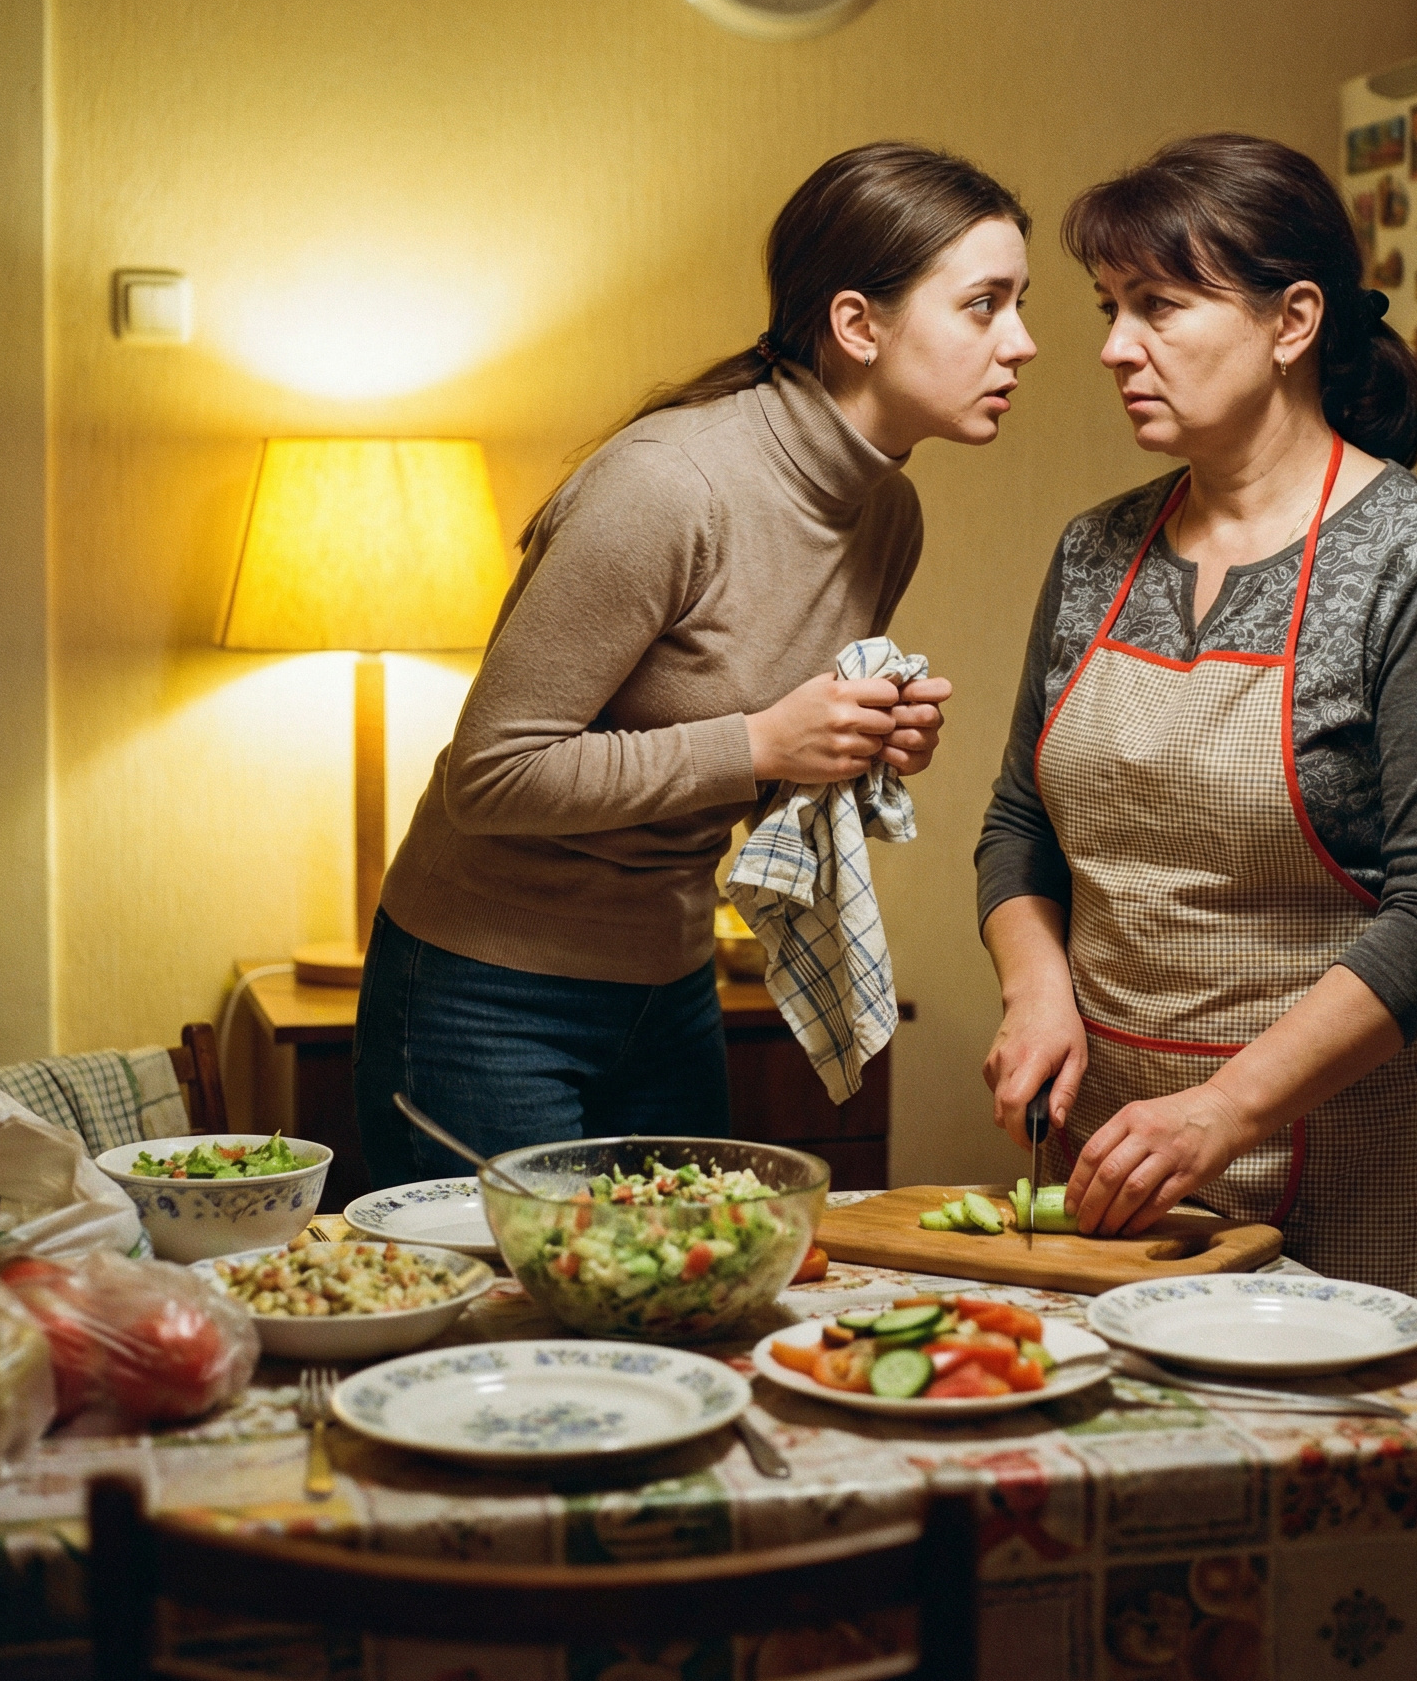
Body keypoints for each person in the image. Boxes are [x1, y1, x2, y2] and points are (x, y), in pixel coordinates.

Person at [356, 141, 1037, 1181]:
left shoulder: (887, 513)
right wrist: (760, 741)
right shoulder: (667, 486)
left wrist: (852, 744)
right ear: (858, 325)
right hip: (486, 988)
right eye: (984, 305)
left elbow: (747, 763)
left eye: (1019, 305)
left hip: (671, 981)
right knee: (516, 1290)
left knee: (693, 1272)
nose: (1022, 343)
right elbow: (491, 774)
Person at [976, 133, 1417, 1338]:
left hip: (1339, 1164)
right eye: (1110, 308)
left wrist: (1223, 1109)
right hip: (1117, 1156)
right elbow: (1019, 821)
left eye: (1159, 306)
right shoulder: (1094, 550)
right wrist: (1034, 988)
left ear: (1293, 321)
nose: (1114, 346)